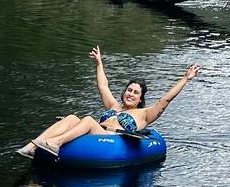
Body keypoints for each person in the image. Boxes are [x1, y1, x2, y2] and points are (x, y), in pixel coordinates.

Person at [18, 46, 201, 158]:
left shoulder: (145, 114)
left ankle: (55, 143)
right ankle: (32, 146)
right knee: (72, 117)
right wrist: (99, 64)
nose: (130, 94)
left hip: (112, 140)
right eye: (129, 90)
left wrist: (185, 79)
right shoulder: (114, 106)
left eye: (135, 92)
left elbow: (165, 99)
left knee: (88, 120)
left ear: (140, 98)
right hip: (95, 135)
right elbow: (103, 86)